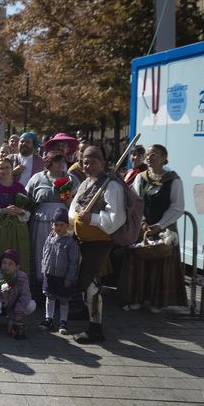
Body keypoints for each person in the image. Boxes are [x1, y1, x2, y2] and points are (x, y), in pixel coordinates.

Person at [69, 146, 126, 344]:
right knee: (82, 280)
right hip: (82, 241)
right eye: (85, 161)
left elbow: (116, 218)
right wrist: (75, 218)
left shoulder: (112, 187)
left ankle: (95, 328)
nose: (88, 165)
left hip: (99, 242)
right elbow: (73, 209)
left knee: (91, 283)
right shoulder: (86, 184)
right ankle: (86, 313)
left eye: (93, 161)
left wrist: (91, 217)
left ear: (103, 163)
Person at [124, 145, 187, 312]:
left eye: (155, 154)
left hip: (165, 226)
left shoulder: (173, 180)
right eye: (148, 154)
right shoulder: (141, 178)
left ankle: (157, 301)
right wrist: (143, 222)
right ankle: (136, 298)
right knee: (139, 261)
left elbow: (177, 207)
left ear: (164, 158)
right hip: (143, 226)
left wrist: (159, 226)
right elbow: (136, 203)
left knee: (161, 262)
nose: (149, 157)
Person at [26, 152, 79, 283]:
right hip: (41, 221)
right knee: (41, 251)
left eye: (63, 161)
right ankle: (41, 284)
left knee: (61, 252)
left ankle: (61, 284)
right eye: (57, 161)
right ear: (49, 163)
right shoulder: (37, 178)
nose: (61, 164)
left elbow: (76, 204)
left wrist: (66, 195)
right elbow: (28, 200)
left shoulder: (71, 179)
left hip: (63, 220)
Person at [0, 157, 32, 281]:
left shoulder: (20, 188)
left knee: (17, 258)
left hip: (17, 229)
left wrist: (19, 210)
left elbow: (28, 211)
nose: (4, 170)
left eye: (7, 167)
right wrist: (4, 210)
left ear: (12, 169)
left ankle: (19, 292)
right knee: (0, 259)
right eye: (1, 168)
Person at [38, 207, 79, 334]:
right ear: (52, 225)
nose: (58, 228)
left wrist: (69, 278)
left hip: (63, 277)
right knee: (49, 297)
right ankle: (48, 319)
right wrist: (44, 268)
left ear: (67, 226)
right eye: (55, 225)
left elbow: (73, 263)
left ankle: (63, 322)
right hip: (50, 274)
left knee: (63, 300)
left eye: (61, 225)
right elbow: (44, 254)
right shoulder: (49, 239)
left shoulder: (71, 243)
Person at [0, 249, 36, 339]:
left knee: (31, 304)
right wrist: (3, 293)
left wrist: (19, 311)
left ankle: (15, 318)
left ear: (17, 267)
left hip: (14, 306)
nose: (6, 266)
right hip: (1, 304)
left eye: (10, 264)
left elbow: (25, 295)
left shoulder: (22, 277)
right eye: (4, 263)